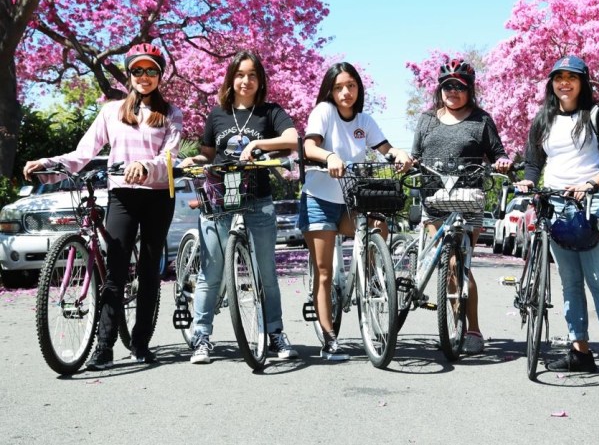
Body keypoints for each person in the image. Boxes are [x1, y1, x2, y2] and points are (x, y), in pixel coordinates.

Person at [24, 43, 183, 370]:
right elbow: (83, 153)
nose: (144, 76)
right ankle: (104, 347)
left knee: (149, 271)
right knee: (115, 271)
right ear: (129, 74)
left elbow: (169, 156)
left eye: (151, 70)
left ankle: (140, 343)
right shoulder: (111, 111)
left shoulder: (171, 113)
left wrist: (147, 167)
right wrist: (48, 164)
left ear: (159, 75)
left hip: (157, 196)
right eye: (137, 70)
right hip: (122, 196)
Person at [516, 55, 599, 383]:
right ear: (552, 83)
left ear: (584, 82)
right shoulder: (543, 119)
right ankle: (580, 350)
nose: (564, 83)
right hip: (554, 204)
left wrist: (590, 184)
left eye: (572, 77)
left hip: (589, 202)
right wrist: (530, 180)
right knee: (570, 283)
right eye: (559, 77)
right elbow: (533, 161)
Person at [180, 50, 299, 364]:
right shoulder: (218, 113)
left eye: (252, 75)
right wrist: (196, 160)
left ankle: (274, 332)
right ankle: (201, 336)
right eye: (240, 74)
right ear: (231, 79)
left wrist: (257, 144)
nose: (246, 81)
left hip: (258, 201)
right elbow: (208, 154)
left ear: (260, 81)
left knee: (267, 274)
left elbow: (292, 138)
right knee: (211, 273)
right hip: (219, 200)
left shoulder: (269, 112)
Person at [299, 61, 412, 361]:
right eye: (338, 87)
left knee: (378, 226)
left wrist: (399, 153)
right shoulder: (323, 112)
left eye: (350, 86)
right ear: (330, 91)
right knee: (324, 273)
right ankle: (329, 338)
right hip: (319, 200)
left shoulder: (365, 120)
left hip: (352, 201)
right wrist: (330, 156)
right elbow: (309, 147)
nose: (345, 92)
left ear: (358, 88)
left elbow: (386, 149)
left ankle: (373, 279)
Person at [410, 59, 512, 355]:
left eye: (459, 86)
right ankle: (454, 322)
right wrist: (408, 162)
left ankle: (473, 329)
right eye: (447, 86)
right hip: (434, 199)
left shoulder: (481, 120)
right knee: (448, 264)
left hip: (469, 200)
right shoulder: (427, 119)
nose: (452, 91)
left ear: (470, 90)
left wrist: (503, 162)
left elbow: (498, 153)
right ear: (440, 89)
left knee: (460, 263)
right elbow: (416, 156)